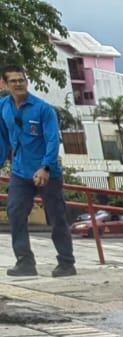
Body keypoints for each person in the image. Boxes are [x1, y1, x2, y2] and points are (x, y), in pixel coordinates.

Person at [0, 64, 75, 278]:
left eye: (21, 80)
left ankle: (67, 262)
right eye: (13, 81)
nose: (18, 84)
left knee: (56, 217)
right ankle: (24, 261)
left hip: (47, 173)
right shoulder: (3, 107)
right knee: (15, 213)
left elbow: (53, 140)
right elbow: (3, 139)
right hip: (20, 173)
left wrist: (45, 167)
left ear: (27, 81)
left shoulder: (43, 109)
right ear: (4, 84)